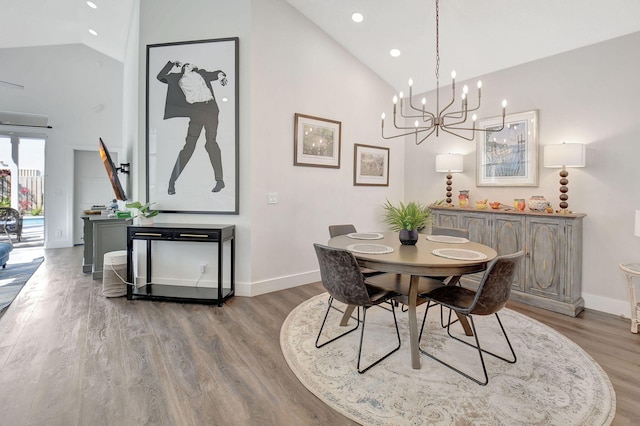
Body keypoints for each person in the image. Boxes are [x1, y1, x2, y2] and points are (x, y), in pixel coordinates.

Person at [157, 60, 228, 195]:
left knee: (211, 143)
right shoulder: (177, 78)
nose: (193, 65)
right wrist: (171, 64)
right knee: (189, 147)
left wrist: (221, 76)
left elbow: (217, 73)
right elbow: (160, 76)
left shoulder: (202, 74)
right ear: (184, 68)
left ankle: (220, 180)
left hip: (211, 108)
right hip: (196, 110)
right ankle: (172, 181)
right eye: (189, 64)